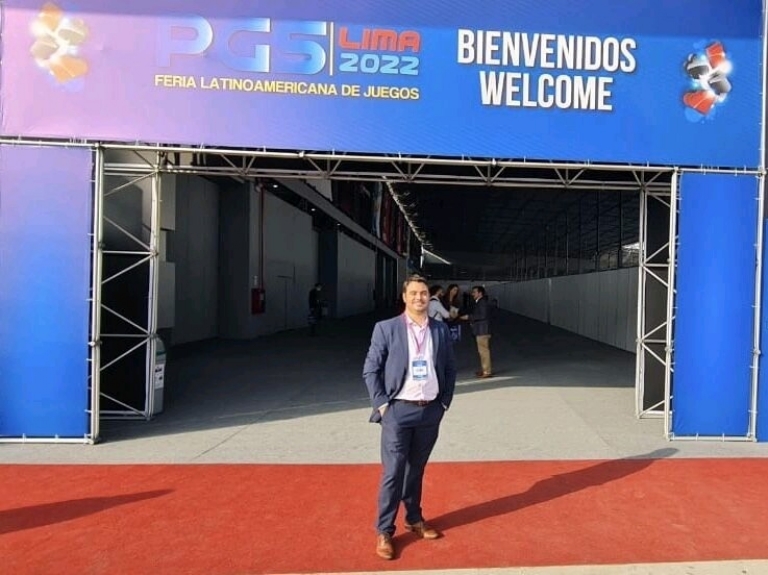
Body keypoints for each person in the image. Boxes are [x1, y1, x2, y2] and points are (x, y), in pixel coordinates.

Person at [363, 274, 457, 560]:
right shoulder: (386, 328)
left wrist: (444, 403)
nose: (419, 297)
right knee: (393, 471)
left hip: (430, 411)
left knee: (416, 469)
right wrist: (382, 405)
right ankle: (384, 531)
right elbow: (371, 369)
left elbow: (450, 368)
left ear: (429, 296)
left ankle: (414, 519)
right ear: (404, 297)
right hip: (398, 411)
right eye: (414, 293)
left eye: (424, 293)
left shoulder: (440, 330)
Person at [460, 285, 493, 377]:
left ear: (480, 293)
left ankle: (487, 371)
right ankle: (484, 369)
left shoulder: (482, 303)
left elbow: (482, 315)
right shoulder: (479, 302)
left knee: (483, 351)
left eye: (474, 292)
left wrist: (469, 317)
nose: (472, 294)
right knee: (482, 350)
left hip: (482, 330)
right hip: (481, 329)